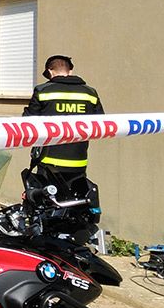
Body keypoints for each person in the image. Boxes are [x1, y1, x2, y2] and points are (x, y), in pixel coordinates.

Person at [23, 55, 104, 217]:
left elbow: (28, 123)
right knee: (75, 203)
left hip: (48, 162)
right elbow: (100, 123)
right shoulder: (90, 93)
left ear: (50, 71)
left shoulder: (43, 91)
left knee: (47, 205)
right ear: (70, 70)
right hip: (78, 161)